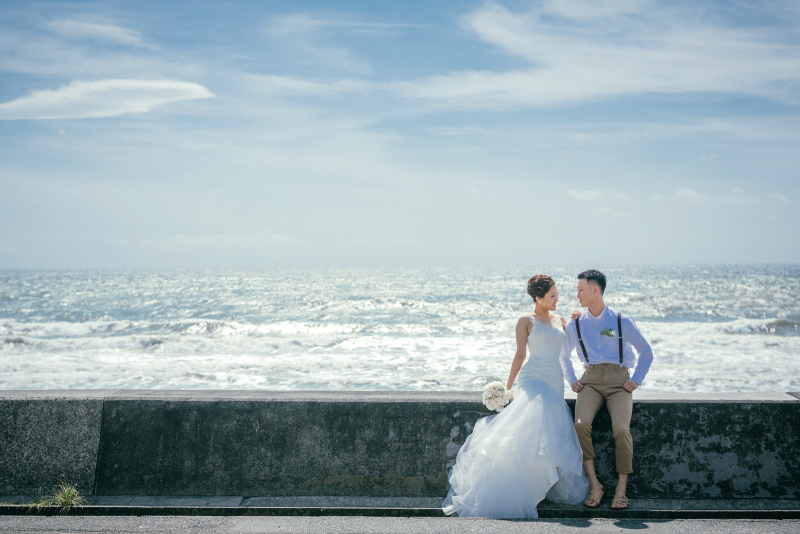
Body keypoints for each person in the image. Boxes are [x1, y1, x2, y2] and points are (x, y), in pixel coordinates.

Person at [442, 275, 589, 519]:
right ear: (538, 298)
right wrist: (506, 388)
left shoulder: (561, 320)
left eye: (557, 295)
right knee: (533, 422)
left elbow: (575, 346)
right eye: (552, 295)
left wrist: (578, 319)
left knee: (548, 432)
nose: (556, 299)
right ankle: (522, 487)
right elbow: (520, 355)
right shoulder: (525, 320)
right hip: (533, 378)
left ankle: (538, 485)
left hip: (555, 380)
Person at [559, 270, 654, 510]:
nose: (577, 294)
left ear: (595, 290)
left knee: (621, 429)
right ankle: (595, 485)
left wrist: (637, 379)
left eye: (581, 289)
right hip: (589, 381)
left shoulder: (621, 321)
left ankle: (621, 489)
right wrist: (571, 378)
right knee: (580, 425)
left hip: (619, 382)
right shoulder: (576, 323)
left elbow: (646, 352)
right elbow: (563, 355)